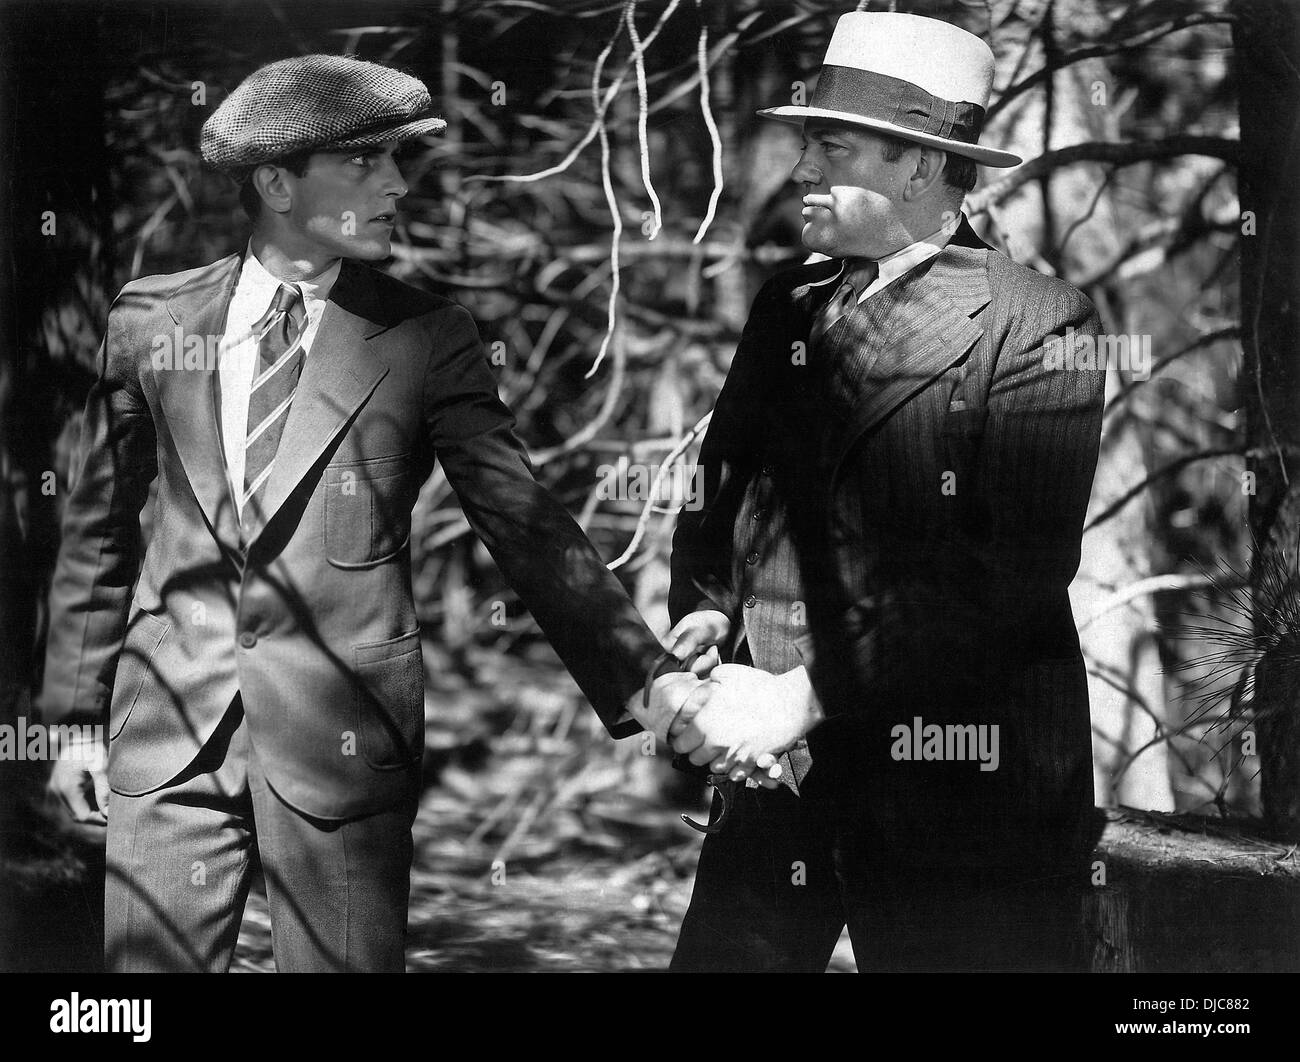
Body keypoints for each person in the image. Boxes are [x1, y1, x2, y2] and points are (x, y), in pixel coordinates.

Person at [35, 54, 774, 972]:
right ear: (274, 181)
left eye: (401, 162)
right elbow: (99, 533)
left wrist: (652, 685)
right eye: (366, 163)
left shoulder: (427, 337)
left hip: (341, 747)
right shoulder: (151, 322)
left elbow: (524, 523)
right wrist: (69, 721)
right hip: (167, 741)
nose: (396, 186)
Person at [664, 11, 1108, 972]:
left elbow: (1007, 575)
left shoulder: (1038, 321)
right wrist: (704, 618)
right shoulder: (790, 300)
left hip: (958, 790)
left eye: (832, 145)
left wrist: (805, 694)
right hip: (774, 774)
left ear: (917, 165)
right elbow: (719, 485)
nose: (801, 171)